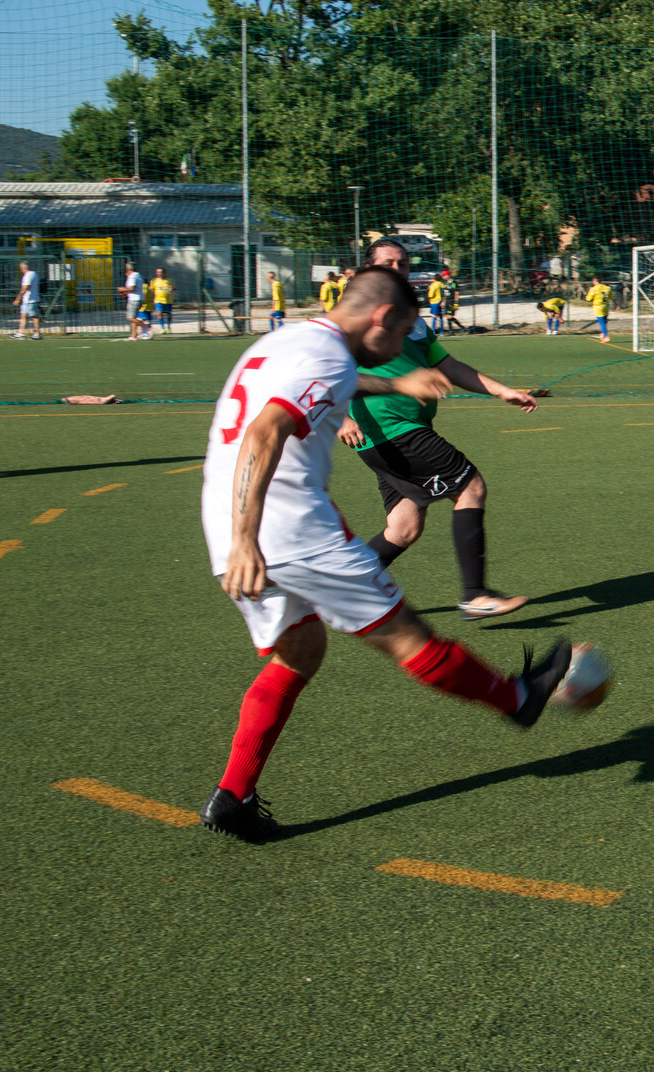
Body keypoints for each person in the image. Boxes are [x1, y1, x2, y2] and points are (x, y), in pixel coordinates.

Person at [198, 265, 574, 841]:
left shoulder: (286, 339)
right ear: (383, 318)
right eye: (400, 337)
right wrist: (249, 537)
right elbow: (266, 432)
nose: (401, 349)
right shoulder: (328, 356)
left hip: (225, 520)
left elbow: (332, 385)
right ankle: (516, 698)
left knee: (299, 650)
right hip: (284, 524)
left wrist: (398, 383)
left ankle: (233, 795)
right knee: (407, 636)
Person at [338, 238, 540, 620]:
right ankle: (475, 594)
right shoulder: (357, 316)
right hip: (391, 428)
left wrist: (500, 390)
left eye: (402, 264)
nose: (397, 270)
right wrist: (339, 417)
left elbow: (448, 366)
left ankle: (341, 587)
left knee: (403, 527)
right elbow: (328, 368)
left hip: (395, 432)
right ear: (367, 269)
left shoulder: (412, 322)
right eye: (387, 263)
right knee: (471, 486)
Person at [13, 260, 43, 340]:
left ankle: (37, 333)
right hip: (27, 300)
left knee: (34, 316)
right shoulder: (34, 274)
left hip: (30, 299)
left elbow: (25, 287)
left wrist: (18, 298)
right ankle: (20, 332)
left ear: (21, 268)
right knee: (23, 315)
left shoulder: (27, 276)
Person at [118, 262, 144, 337]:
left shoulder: (132, 276)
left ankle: (148, 329)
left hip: (134, 299)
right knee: (134, 317)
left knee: (130, 318)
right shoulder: (138, 275)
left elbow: (132, 288)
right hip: (140, 298)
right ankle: (133, 335)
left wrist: (123, 289)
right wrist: (126, 292)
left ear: (128, 269)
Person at [585, 275, 612, 343]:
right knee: (605, 321)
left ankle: (606, 336)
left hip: (598, 307)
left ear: (595, 281)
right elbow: (612, 297)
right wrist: (616, 304)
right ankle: (603, 333)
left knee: (601, 322)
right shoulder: (607, 288)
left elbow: (588, 299)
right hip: (606, 306)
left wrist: (588, 296)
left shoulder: (594, 289)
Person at [149, 268, 174, 334]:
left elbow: (173, 288)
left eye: (161, 272)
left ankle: (168, 327)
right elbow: (151, 290)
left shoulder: (169, 280)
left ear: (164, 272)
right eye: (158, 272)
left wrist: (171, 289)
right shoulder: (153, 281)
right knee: (159, 313)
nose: (159, 273)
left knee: (169, 314)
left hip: (168, 301)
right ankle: (162, 328)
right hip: (158, 300)